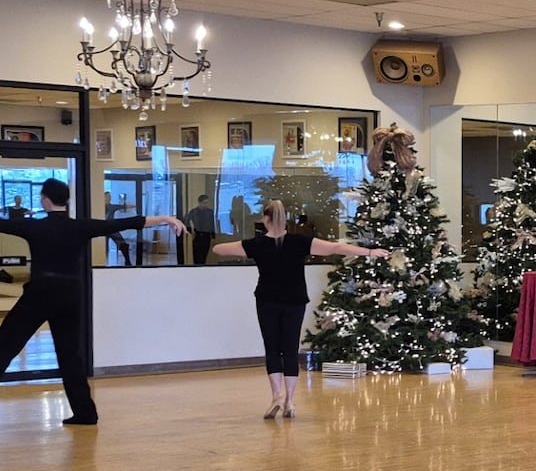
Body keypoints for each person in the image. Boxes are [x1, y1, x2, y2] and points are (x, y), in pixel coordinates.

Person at [0, 178, 185, 425]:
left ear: (45, 200)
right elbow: (123, 223)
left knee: (5, 344)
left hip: (41, 292)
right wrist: (164, 218)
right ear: (65, 201)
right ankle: (85, 413)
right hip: (70, 294)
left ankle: (85, 413)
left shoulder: (35, 227)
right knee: (70, 356)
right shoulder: (79, 227)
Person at [212, 200, 388, 420]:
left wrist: (246, 245)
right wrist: (369, 252)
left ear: (265, 220)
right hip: (294, 300)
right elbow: (335, 248)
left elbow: (218, 249)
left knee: (273, 349)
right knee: (290, 347)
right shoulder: (299, 242)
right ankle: (290, 400)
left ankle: (276, 396)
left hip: (267, 300)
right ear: (285, 220)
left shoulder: (256, 245)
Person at [184, 194, 217, 265]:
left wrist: (213, 237)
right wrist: (190, 232)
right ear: (199, 202)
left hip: (206, 236)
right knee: (197, 257)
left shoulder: (210, 212)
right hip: (197, 236)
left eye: (207, 203)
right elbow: (186, 222)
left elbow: (212, 224)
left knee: (204, 256)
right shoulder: (193, 212)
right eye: (204, 203)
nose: (206, 205)